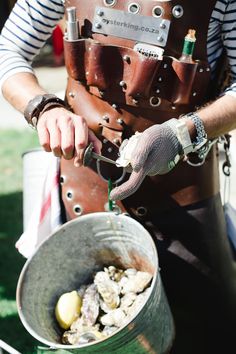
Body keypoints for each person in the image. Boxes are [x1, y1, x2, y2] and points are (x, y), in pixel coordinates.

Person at [0, 0, 236, 353]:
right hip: (80, 188)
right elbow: (8, 49)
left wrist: (184, 133)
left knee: (207, 332)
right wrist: (43, 108)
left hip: (185, 193)